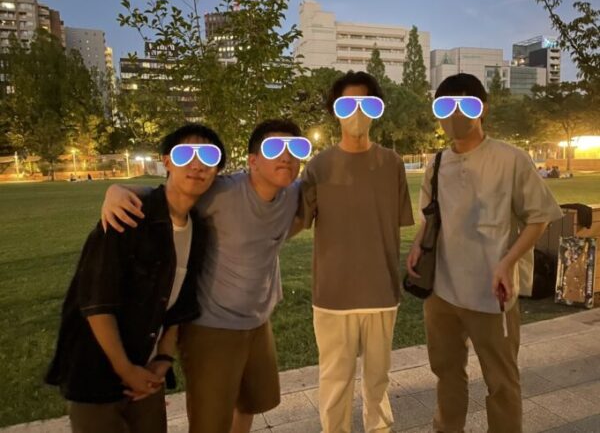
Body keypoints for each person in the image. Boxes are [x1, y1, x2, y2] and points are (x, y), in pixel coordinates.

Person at [101, 119, 310, 433]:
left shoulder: (292, 195)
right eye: (274, 148)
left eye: (295, 149)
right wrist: (117, 190)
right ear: (253, 161)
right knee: (210, 422)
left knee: (251, 402)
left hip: (258, 321)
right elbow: (170, 196)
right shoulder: (222, 192)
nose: (286, 156)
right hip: (212, 325)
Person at [45, 123, 225, 433]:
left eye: (208, 156)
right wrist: (125, 370)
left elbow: (178, 305)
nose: (197, 164)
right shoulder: (127, 216)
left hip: (147, 369)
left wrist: (163, 359)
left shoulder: (199, 229)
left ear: (218, 170)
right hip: (96, 369)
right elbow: (96, 302)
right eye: (185, 154)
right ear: (167, 162)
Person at [407, 73, 562, 433]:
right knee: (446, 373)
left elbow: (539, 217)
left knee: (501, 381)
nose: (455, 115)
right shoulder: (436, 164)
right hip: (441, 292)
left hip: (493, 294)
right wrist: (418, 243)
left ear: (484, 109)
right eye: (445, 106)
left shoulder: (511, 159)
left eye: (466, 105)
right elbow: (430, 216)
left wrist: (508, 262)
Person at [298, 71, 414, 433]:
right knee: (335, 383)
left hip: (381, 293)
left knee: (378, 381)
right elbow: (296, 221)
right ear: (335, 111)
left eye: (366, 104)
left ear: (377, 109)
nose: (357, 113)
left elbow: (397, 223)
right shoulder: (318, 166)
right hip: (333, 297)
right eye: (347, 104)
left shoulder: (392, 164)